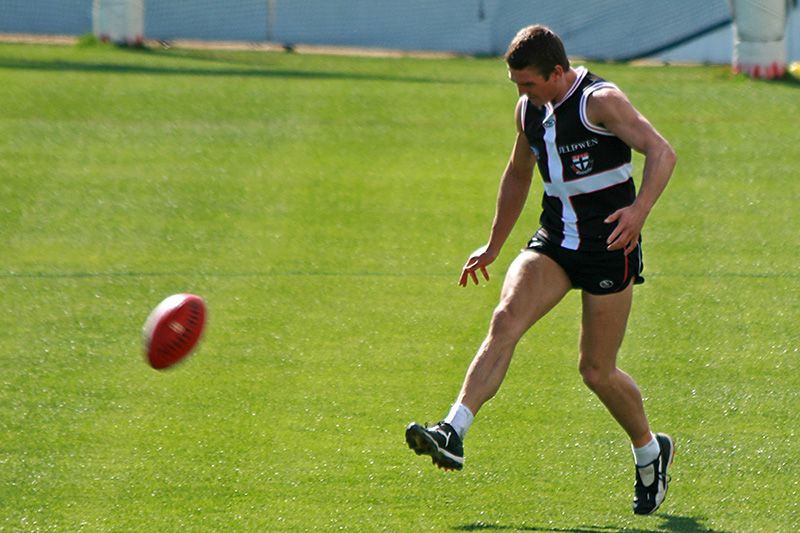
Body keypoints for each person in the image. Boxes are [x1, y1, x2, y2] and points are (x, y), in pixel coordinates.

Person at [405, 24, 677, 516]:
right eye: (516, 85)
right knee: (504, 319)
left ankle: (649, 451)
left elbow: (662, 151)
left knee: (596, 371)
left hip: (607, 247)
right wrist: (492, 246)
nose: (521, 94)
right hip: (554, 242)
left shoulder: (601, 102)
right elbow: (517, 174)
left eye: (528, 83)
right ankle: (453, 430)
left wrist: (639, 212)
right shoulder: (528, 110)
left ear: (557, 71)